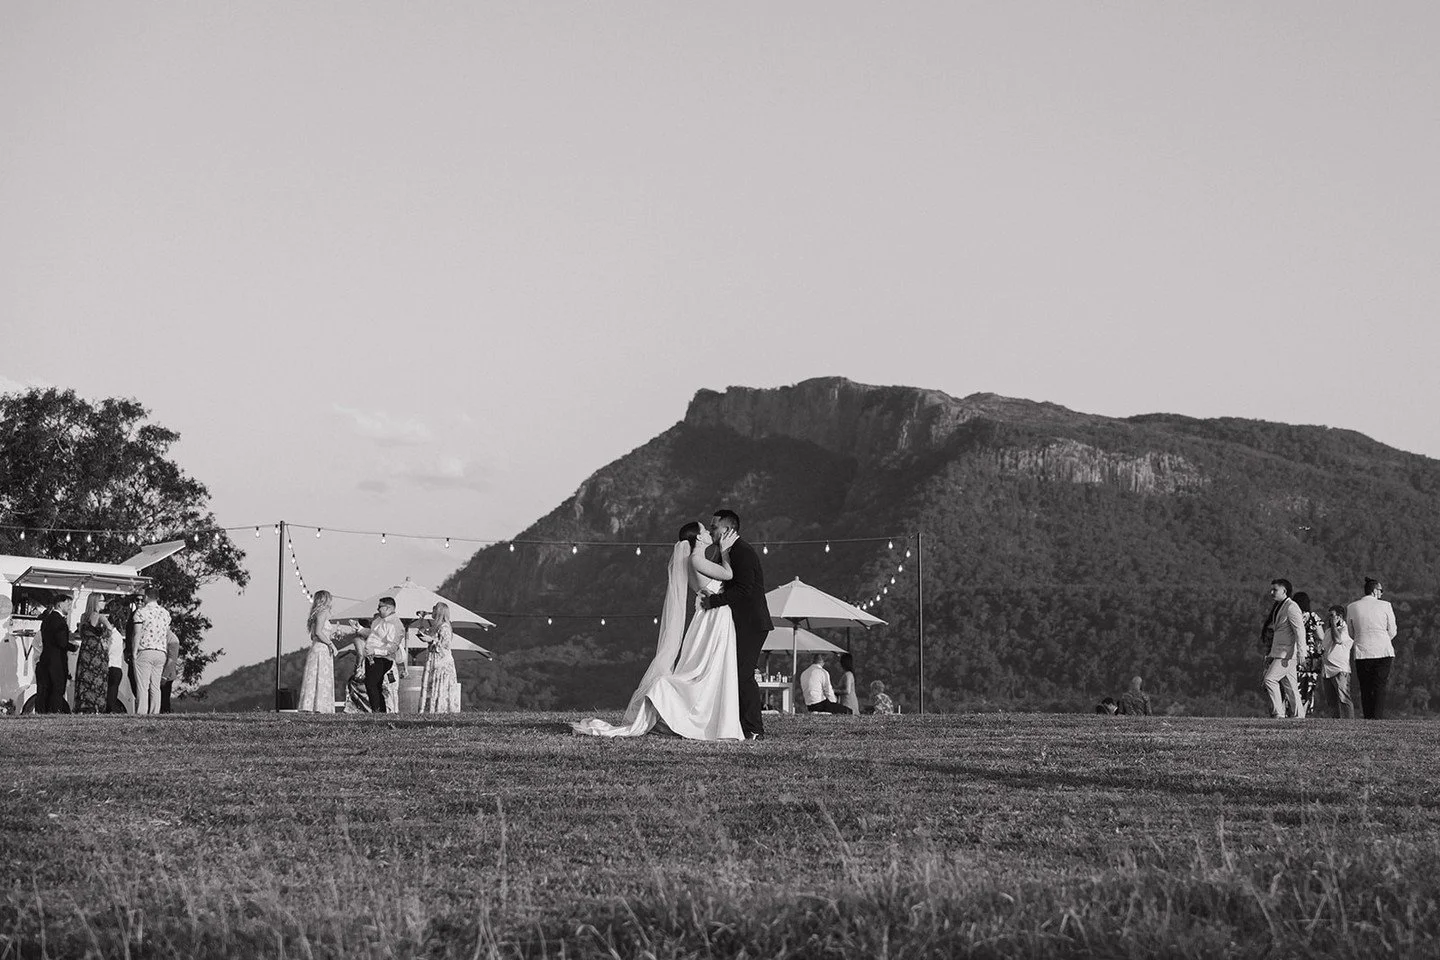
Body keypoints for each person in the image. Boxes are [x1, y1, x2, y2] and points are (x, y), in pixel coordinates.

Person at [572, 521, 743, 740]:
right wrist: (726, 551)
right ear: (699, 538)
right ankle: (690, 714)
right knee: (707, 668)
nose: (710, 532)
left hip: (710, 616)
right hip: (714, 619)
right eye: (705, 530)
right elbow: (728, 575)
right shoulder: (697, 559)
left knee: (708, 668)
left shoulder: (695, 560)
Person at [699, 509, 774, 740]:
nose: (711, 530)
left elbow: (744, 589)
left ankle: (754, 728)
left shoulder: (743, 552)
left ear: (728, 529)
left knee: (743, 674)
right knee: (734, 672)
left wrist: (714, 602)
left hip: (751, 623)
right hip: (738, 622)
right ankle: (739, 725)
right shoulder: (728, 552)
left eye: (714, 527)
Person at [1347, 577, 1398, 719]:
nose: (1381, 593)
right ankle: (1377, 717)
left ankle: (1368, 716)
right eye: (1381, 590)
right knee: (1379, 686)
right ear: (1375, 591)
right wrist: (1382, 638)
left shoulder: (1352, 607)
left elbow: (1351, 632)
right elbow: (1392, 630)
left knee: (1365, 686)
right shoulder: (1386, 605)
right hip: (1383, 651)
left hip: (1362, 651)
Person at [1261, 578, 1304, 719]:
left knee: (1270, 679)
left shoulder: (1291, 607)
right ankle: (1299, 715)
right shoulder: (1280, 606)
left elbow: (1299, 630)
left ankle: (1279, 713)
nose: (1271, 592)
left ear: (1284, 591)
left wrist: (1302, 652)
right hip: (1280, 652)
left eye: (1275, 590)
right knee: (1290, 686)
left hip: (1286, 653)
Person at [298, 590, 346, 713]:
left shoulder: (316, 614)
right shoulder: (323, 612)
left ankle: (314, 705)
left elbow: (313, 635)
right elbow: (318, 632)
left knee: (317, 677)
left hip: (317, 647)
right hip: (321, 649)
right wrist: (331, 644)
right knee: (321, 677)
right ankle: (320, 706)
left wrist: (332, 636)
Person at [356, 597, 405, 713]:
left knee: (372, 684)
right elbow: (373, 634)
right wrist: (360, 628)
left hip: (382, 659)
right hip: (371, 657)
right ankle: (380, 711)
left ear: (388, 608)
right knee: (374, 685)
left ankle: (377, 711)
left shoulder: (395, 625)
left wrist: (375, 651)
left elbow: (392, 647)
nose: (377, 609)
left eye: (380, 607)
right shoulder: (378, 620)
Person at [131, 586, 172, 715]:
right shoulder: (165, 613)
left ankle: (142, 712)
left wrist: (134, 652)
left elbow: (137, 634)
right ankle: (155, 712)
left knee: (143, 685)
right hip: (161, 652)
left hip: (145, 650)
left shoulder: (140, 613)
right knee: (155, 686)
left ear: (146, 597)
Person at [36, 594, 77, 713]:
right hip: (57, 661)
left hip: (45, 659)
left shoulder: (47, 619)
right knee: (57, 689)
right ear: (59, 604)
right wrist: (73, 647)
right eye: (68, 604)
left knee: (45, 690)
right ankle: (54, 712)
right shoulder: (59, 621)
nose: (70, 607)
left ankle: (43, 713)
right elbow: (62, 642)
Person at [72, 594, 112, 714]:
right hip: (97, 653)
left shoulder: (84, 617)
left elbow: (83, 633)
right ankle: (95, 707)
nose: (104, 603)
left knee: (85, 681)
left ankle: (84, 706)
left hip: (86, 652)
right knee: (97, 681)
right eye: (102, 600)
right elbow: (109, 629)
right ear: (96, 602)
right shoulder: (99, 616)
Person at [417, 602, 460, 713]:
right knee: (433, 684)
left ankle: (440, 709)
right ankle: (430, 709)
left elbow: (446, 645)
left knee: (440, 685)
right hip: (434, 659)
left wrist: (432, 641)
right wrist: (421, 619)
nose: (432, 611)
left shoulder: (444, 627)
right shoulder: (435, 627)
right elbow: (423, 632)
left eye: (434, 609)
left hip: (441, 661)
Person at [1320, 604, 1355, 719]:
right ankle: (1335, 723)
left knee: (1344, 699)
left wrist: (1334, 625)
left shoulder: (1345, 630)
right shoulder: (1328, 631)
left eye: (1332, 616)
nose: (1329, 618)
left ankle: (1349, 722)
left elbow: (1337, 639)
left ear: (1339, 617)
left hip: (1340, 670)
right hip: (1327, 670)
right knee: (1331, 702)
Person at [1292, 592, 1324, 716]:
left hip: (1294, 652)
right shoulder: (1313, 617)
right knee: (1309, 683)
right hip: (1310, 655)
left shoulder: (1292, 615)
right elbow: (1321, 636)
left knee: (1293, 682)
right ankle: (1305, 710)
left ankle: (1292, 709)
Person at [105, 610, 128, 713]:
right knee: (112, 692)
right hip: (116, 667)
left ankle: (110, 710)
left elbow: (109, 651)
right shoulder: (117, 636)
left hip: (112, 666)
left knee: (111, 693)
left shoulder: (113, 636)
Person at [159, 629, 181, 713]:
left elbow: (172, 660)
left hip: (166, 675)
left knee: (164, 699)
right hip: (162, 672)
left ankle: (165, 713)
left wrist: (165, 676)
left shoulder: (172, 639)